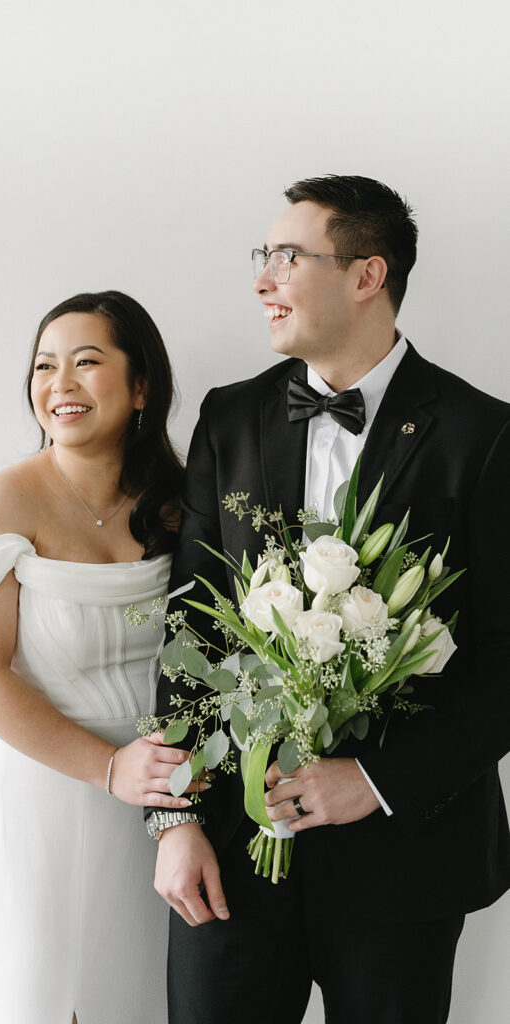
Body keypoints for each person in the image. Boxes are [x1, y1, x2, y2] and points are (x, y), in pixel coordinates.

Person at [151, 176, 510, 1024]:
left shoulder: (485, 437)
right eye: (262, 256)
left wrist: (375, 782)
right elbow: (190, 624)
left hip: (404, 856)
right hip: (231, 844)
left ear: (365, 275)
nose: (261, 278)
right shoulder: (228, 419)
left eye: (286, 256)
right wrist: (172, 821)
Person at [0, 291, 200, 1024]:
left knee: (147, 996)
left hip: (168, 796)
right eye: (44, 365)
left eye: (85, 362)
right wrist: (109, 769)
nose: (58, 384)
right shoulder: (3, 499)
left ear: (140, 388)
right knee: (49, 999)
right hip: (49, 794)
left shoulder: (180, 504)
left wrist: (159, 779)